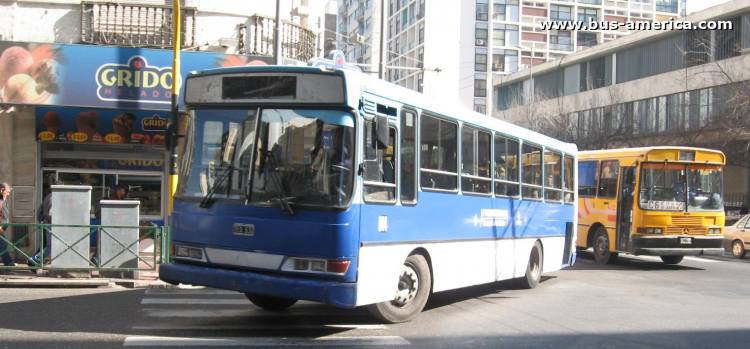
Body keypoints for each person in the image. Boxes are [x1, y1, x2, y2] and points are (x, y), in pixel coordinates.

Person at [0, 182, 16, 267]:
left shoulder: (3, 199)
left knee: (3, 245)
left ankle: (9, 262)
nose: (8, 194)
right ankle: (9, 263)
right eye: (7, 191)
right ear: (1, 190)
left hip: (2, 227)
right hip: (0, 228)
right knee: (3, 244)